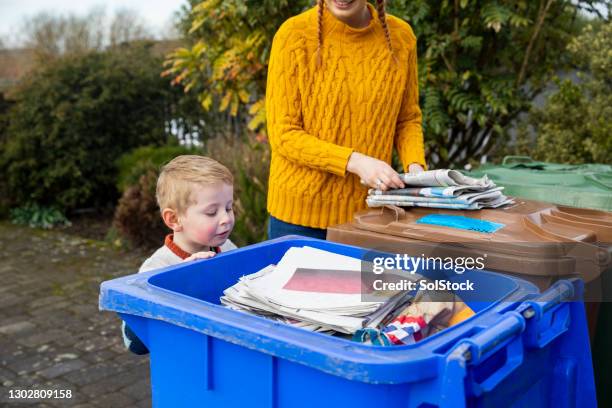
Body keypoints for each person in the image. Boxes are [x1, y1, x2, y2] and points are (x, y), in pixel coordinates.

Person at [266, 0, 426, 240]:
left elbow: (407, 119)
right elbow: (284, 135)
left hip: (370, 215)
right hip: (299, 220)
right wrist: (354, 161)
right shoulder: (293, 35)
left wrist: (415, 168)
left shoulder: (401, 37)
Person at [122, 155, 237, 354]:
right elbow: (135, 343)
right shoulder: (156, 269)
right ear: (174, 219)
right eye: (211, 212)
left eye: (229, 207)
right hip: (182, 358)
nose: (226, 218)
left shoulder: (227, 248)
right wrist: (183, 278)